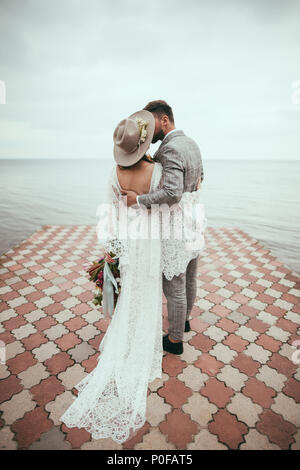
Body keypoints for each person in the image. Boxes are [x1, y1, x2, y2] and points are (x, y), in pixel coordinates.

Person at [121, 100, 205, 355]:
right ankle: (185, 320)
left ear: (164, 120)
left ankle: (175, 340)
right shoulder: (191, 143)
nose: (150, 130)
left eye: (152, 123)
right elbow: (201, 178)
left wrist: (138, 200)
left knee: (174, 283)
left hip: (176, 226)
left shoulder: (169, 149)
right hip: (195, 221)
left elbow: (172, 192)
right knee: (189, 275)